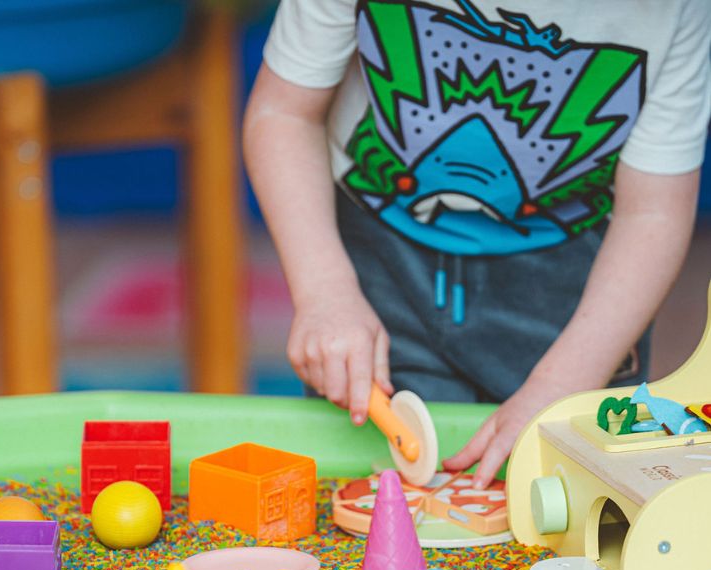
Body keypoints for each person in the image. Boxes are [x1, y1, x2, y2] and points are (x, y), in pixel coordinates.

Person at [243, 0, 711, 488]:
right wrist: (324, 291)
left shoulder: (677, 10)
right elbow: (283, 114)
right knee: (374, 489)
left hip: (576, 292)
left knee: (563, 496)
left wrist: (562, 383)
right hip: (377, 263)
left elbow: (654, 211)